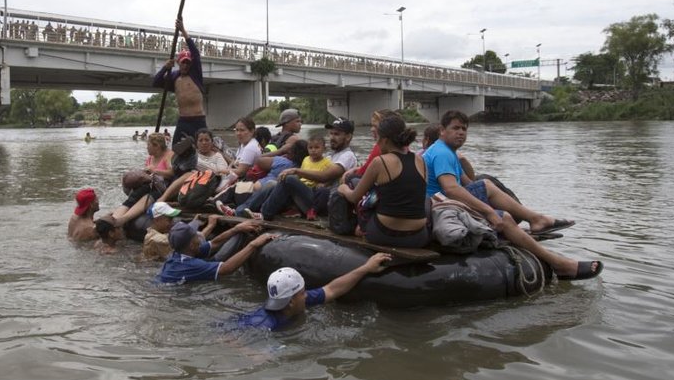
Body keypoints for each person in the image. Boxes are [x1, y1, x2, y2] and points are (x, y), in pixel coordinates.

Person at [423, 110, 603, 280]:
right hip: (442, 208)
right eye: (455, 128)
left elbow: (468, 183)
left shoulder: (447, 152)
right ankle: (559, 264)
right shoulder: (441, 153)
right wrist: (489, 212)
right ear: (442, 131)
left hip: (447, 202)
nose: (461, 133)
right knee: (504, 216)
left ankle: (535, 220)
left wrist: (487, 205)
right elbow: (451, 189)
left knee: (485, 185)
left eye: (464, 129)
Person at [236, 253, 392, 331]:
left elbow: (331, 289)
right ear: (290, 301)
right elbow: (229, 340)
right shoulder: (263, 325)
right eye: (302, 292)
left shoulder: (294, 302)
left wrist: (366, 268)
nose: (306, 295)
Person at [338, 113, 429, 247]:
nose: (376, 142)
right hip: (418, 236)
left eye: (378, 138)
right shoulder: (421, 160)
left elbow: (354, 197)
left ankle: (360, 230)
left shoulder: (380, 162)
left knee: (355, 186)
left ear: (385, 140)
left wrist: (344, 189)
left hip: (386, 234)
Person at [258, 118, 358, 221]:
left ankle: (264, 213)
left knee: (289, 179)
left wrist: (296, 171)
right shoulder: (330, 155)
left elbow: (324, 176)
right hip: (316, 196)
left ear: (348, 137)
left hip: (327, 204)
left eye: (336, 134)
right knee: (280, 181)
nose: (332, 137)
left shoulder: (347, 156)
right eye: (331, 134)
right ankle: (261, 209)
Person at [155, 219, 276, 284]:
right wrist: (253, 244)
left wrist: (236, 229)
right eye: (196, 236)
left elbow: (214, 243)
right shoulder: (189, 265)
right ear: (191, 245)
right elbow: (226, 269)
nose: (199, 237)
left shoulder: (182, 252)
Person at [152, 18, 206, 148]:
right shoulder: (174, 77)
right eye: (184, 62)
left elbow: (196, 54)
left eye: (188, 63)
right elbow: (156, 82)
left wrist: (183, 31)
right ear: (178, 63)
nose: (186, 65)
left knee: (202, 147)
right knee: (176, 147)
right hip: (183, 120)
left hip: (198, 119)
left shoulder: (195, 74)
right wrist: (165, 67)